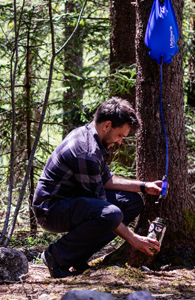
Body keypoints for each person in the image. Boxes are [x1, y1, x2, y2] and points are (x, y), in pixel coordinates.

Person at [33, 97, 163, 278]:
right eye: (120, 136)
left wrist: (144, 186)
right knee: (111, 215)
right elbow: (104, 210)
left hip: (72, 201)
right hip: (51, 211)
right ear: (107, 125)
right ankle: (56, 256)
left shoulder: (92, 137)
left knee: (132, 202)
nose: (120, 142)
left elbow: (106, 180)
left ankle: (76, 256)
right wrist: (134, 239)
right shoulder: (86, 151)